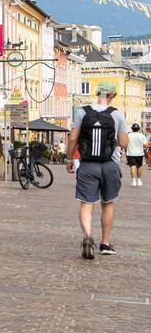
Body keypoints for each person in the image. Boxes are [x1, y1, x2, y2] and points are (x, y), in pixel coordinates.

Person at [67, 80, 129, 258]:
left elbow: (73, 139)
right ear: (112, 96)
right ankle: (105, 243)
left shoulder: (82, 112)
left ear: (97, 94)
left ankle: (87, 237)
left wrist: (70, 159)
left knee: (87, 204)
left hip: (87, 165)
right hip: (110, 165)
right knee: (107, 203)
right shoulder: (117, 114)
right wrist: (112, 143)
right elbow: (124, 142)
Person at [128, 122, 147, 186]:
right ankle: (139, 180)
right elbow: (145, 145)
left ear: (132, 129)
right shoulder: (142, 135)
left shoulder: (128, 135)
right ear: (138, 129)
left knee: (132, 166)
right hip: (140, 153)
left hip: (130, 153)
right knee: (139, 166)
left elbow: (125, 144)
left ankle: (133, 181)